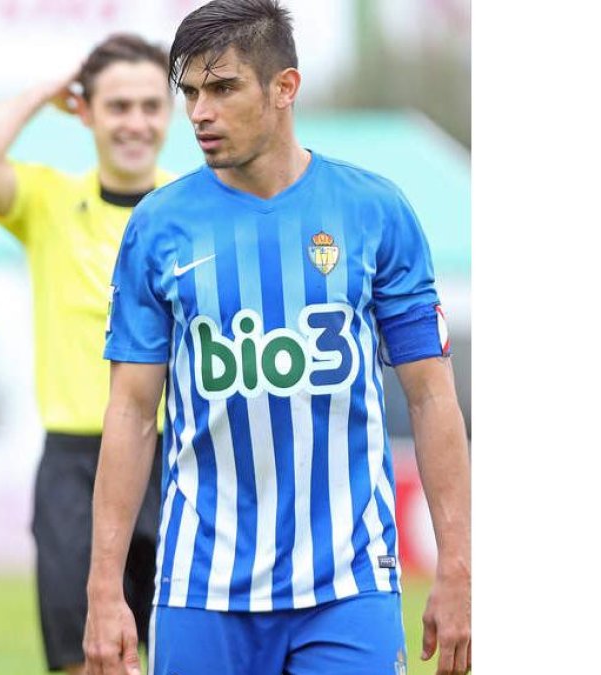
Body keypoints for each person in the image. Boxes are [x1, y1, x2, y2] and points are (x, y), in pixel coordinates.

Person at [83, 2, 471, 675]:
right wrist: (103, 589)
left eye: (223, 88)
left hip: (348, 584)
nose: (199, 112)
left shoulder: (375, 212)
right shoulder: (158, 227)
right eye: (191, 92)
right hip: (201, 585)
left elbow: (434, 397)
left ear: (284, 88)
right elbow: (130, 413)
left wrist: (459, 569)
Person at [0, 34, 174, 675]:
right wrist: (44, 91)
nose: (135, 122)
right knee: (91, 659)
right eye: (119, 106)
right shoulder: (49, 202)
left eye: (151, 106)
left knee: (185, 653)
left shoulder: (193, 207)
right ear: (87, 112)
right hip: (77, 464)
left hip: (178, 458)